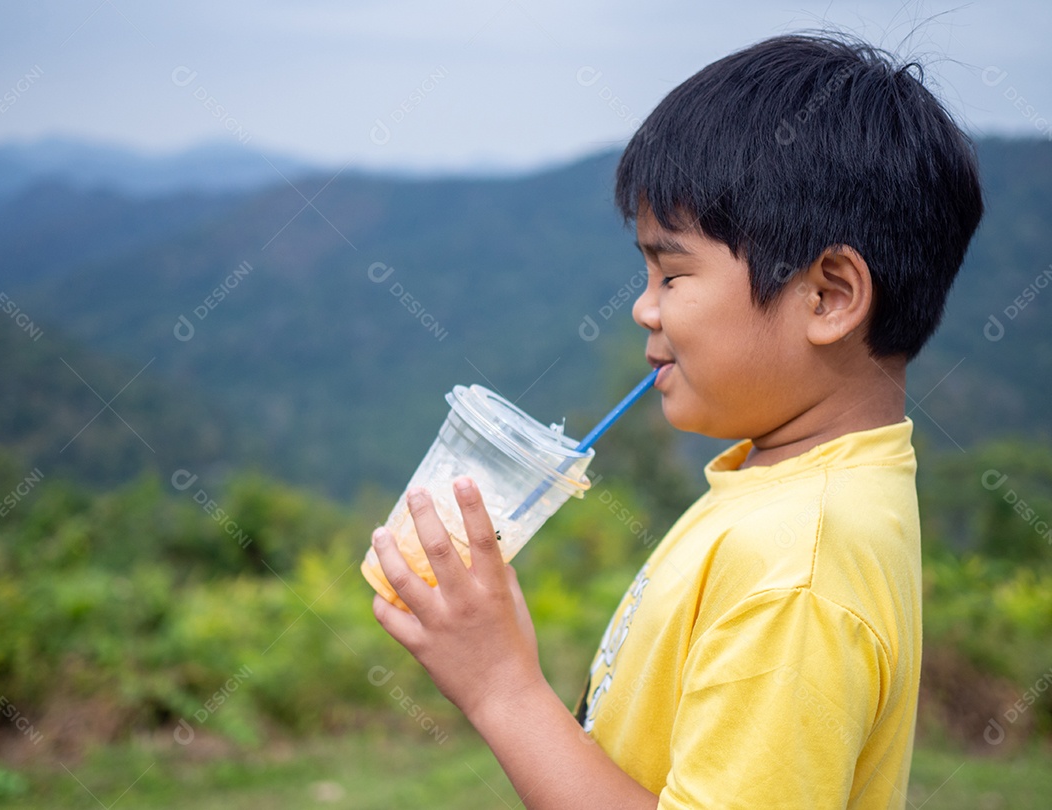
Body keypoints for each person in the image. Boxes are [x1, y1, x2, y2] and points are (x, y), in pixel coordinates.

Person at [369, 33, 984, 809]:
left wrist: (503, 688)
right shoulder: (778, 493)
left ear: (827, 296)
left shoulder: (797, 569)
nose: (643, 307)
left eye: (673, 272)